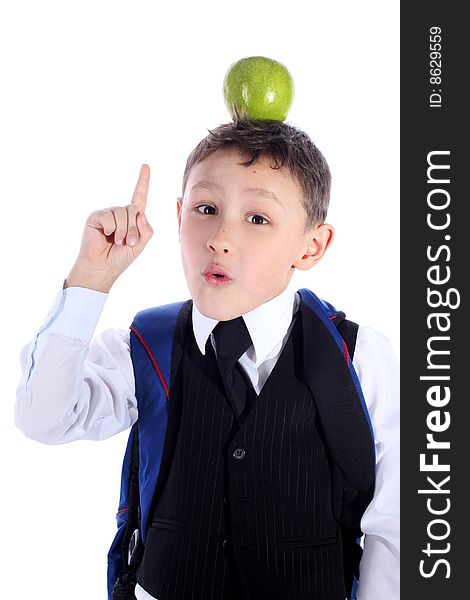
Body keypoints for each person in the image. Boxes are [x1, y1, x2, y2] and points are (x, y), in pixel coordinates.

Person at [15, 119, 399, 600]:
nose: (221, 238)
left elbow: (397, 522)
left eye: (257, 218)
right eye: (206, 208)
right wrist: (91, 277)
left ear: (312, 245)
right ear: (178, 217)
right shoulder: (147, 345)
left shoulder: (358, 357)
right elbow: (43, 418)